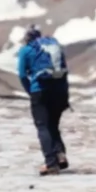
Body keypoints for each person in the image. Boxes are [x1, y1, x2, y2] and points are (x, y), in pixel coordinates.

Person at [15, 26, 71, 175]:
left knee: (43, 126)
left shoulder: (26, 50)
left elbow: (21, 74)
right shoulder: (54, 47)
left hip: (39, 90)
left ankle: (51, 164)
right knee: (53, 124)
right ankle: (60, 156)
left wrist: (30, 91)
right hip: (59, 91)